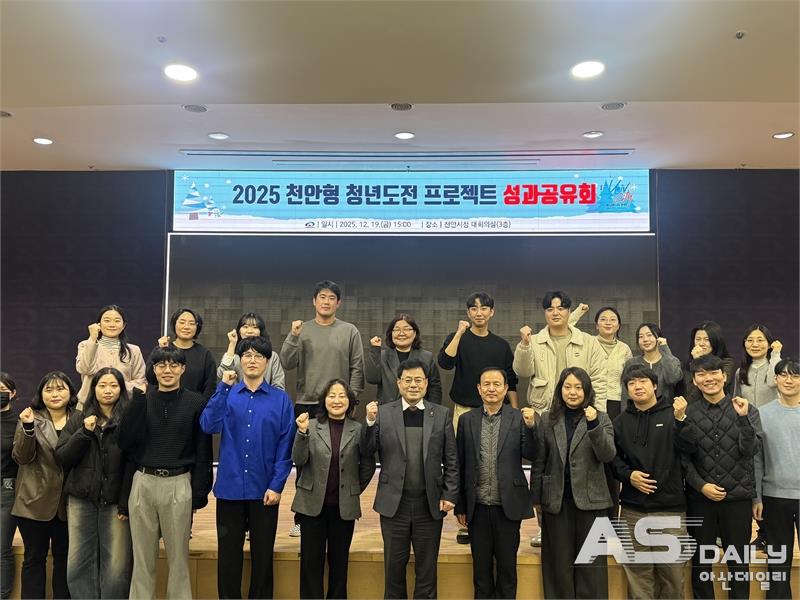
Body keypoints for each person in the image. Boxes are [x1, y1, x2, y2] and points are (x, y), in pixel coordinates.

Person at [201, 336, 295, 599]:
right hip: (230, 489)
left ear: (267, 362)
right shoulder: (227, 394)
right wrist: (223, 388)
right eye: (247, 356)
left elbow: (285, 446)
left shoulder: (280, 400)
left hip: (264, 490)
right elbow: (208, 425)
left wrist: (277, 485)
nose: (252, 360)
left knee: (263, 559)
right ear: (240, 361)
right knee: (228, 558)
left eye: (258, 356)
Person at [118, 347, 212, 600]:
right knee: (142, 558)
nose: (167, 370)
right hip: (143, 481)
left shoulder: (196, 402)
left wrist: (200, 492)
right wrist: (137, 403)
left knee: (179, 558)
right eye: (161, 365)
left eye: (173, 365)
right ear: (153, 370)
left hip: (179, 482)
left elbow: (203, 450)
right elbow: (125, 444)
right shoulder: (142, 401)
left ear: (183, 369)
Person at [513, 290, 606, 546]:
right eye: (550, 308)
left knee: (578, 469)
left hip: (580, 416)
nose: (555, 312)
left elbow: (599, 378)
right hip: (546, 414)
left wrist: (596, 413)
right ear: (545, 312)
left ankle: (580, 525)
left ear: (568, 311)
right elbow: (522, 371)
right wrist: (524, 345)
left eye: (561, 308)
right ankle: (544, 526)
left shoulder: (588, 342)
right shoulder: (535, 340)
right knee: (544, 470)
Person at [364, 359, 459, 599]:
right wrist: (370, 422)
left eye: (418, 380)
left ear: (426, 383)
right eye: (408, 380)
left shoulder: (441, 414)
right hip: (394, 505)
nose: (413, 385)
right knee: (393, 569)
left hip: (430, 504)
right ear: (398, 383)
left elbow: (451, 459)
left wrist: (450, 494)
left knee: (427, 570)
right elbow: (366, 451)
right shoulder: (384, 413)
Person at [281, 280, 365, 537]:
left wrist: (352, 401)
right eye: (322, 297)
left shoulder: (349, 331)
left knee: (340, 460)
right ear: (314, 301)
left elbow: (357, 368)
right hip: (308, 403)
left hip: (339, 404)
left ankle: (339, 514)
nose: (326, 301)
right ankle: (302, 518)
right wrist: (293, 336)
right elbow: (286, 361)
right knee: (305, 464)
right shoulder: (302, 330)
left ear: (338, 303)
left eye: (331, 298)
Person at [676, 354, 761, 600]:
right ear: (694, 380)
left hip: (737, 500)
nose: (708, 378)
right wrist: (701, 486)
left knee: (738, 564)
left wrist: (743, 419)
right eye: (701, 374)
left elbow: (750, 450)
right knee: (701, 563)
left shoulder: (745, 408)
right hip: (700, 500)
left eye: (714, 373)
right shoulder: (688, 413)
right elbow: (684, 458)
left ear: (724, 377)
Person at [531, 366, 615, 599]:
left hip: (592, 503)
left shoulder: (601, 418)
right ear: (560, 390)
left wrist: (594, 425)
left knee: (591, 570)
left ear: (587, 391)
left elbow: (607, 455)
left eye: (578, 387)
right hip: (556, 502)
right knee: (558, 567)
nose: (572, 392)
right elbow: (540, 460)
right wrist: (536, 498)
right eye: (567, 387)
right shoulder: (548, 419)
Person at [454, 367, 536, 599]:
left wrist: (531, 427)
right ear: (479, 389)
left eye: (497, 384)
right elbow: (460, 463)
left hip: (507, 507)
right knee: (481, 573)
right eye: (486, 384)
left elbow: (532, 453)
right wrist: (460, 505)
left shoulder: (518, 418)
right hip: (477, 507)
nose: (491, 389)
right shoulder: (466, 420)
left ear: (506, 388)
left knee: (507, 571)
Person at [613, 364, 692, 599]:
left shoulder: (673, 414)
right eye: (632, 383)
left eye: (643, 381)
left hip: (669, 510)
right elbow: (612, 460)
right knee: (638, 578)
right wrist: (629, 475)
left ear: (655, 385)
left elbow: (689, 449)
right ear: (627, 389)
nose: (637, 386)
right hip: (632, 510)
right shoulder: (620, 422)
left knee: (673, 578)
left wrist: (681, 420)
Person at [292, 379, 376, 599]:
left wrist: (353, 489)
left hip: (343, 509)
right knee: (310, 565)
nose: (336, 400)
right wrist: (302, 433)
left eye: (342, 396)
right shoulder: (310, 425)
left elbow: (367, 465)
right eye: (331, 395)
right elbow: (298, 460)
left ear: (350, 401)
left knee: (339, 566)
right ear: (324, 400)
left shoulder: (357, 429)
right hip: (311, 507)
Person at [55, 367, 134, 599]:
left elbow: (134, 462)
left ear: (121, 389)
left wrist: (125, 502)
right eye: (102, 385)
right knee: (79, 561)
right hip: (81, 499)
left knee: (117, 564)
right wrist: (84, 433)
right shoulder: (79, 418)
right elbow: (62, 456)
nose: (108, 390)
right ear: (93, 389)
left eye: (113, 385)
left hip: (115, 502)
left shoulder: (129, 420)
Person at [12, 371, 78, 599]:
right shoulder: (30, 417)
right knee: (33, 559)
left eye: (60, 389)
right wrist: (28, 428)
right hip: (33, 502)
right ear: (41, 394)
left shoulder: (80, 419)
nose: (55, 394)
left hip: (69, 503)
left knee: (65, 560)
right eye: (48, 390)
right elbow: (22, 457)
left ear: (70, 392)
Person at [753, 358, 800, 600]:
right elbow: (756, 460)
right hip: (774, 497)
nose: (788, 380)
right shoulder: (762, 414)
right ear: (776, 379)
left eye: (795, 376)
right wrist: (757, 497)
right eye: (783, 375)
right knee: (778, 564)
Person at [438, 292, 519, 430]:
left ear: (491, 312)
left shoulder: (501, 345)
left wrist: (515, 410)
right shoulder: (457, 338)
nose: (479, 313)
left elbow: (510, 381)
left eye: (484, 308)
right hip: (464, 409)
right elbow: (445, 363)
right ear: (468, 313)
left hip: (496, 410)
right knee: (462, 444)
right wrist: (459, 334)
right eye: (474, 309)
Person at [568, 304, 632, 419]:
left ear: (618, 326)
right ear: (597, 325)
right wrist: (579, 312)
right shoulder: (588, 342)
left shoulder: (624, 349)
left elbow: (630, 378)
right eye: (603, 319)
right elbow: (564, 328)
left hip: (616, 403)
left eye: (613, 320)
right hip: (589, 400)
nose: (608, 323)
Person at [75, 304, 147, 404]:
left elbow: (141, 382)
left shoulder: (134, 350)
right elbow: (85, 369)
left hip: (123, 406)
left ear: (124, 325)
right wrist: (92, 339)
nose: (112, 325)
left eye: (117, 321)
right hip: (90, 405)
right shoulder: (85, 345)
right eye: (107, 320)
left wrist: (115, 386)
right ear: (99, 324)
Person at [366, 313, 442, 404]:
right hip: (388, 409)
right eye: (397, 329)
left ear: (414, 333)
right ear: (391, 333)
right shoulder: (382, 356)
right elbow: (372, 379)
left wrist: (432, 409)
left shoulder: (426, 357)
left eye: (406, 329)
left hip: (417, 409)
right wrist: (375, 350)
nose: (401, 333)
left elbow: (435, 389)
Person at [146, 307, 218, 400]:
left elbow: (210, 387)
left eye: (191, 323)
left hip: (195, 405)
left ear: (197, 327)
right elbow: (150, 378)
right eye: (182, 322)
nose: (186, 327)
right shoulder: (163, 348)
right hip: (163, 404)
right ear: (174, 324)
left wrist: (200, 405)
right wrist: (160, 350)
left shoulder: (205, 354)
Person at [217, 311, 285, 389]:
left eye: (255, 327)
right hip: (236, 396)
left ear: (261, 331)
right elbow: (221, 375)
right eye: (245, 327)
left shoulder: (272, 356)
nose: (250, 331)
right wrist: (232, 344)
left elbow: (279, 387)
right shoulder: (232, 355)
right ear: (239, 331)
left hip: (266, 396)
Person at [621, 323, 683, 408]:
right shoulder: (632, 363)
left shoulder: (672, 361)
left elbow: (673, 379)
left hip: (665, 410)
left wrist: (664, 349)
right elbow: (626, 393)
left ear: (658, 337)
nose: (645, 339)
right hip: (638, 411)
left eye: (649, 335)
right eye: (641, 336)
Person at [679, 320, 736, 403]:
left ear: (715, 341)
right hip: (692, 408)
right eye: (698, 339)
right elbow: (690, 394)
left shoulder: (727, 363)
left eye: (707, 339)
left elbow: (712, 389)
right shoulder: (687, 365)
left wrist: (699, 361)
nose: (701, 343)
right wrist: (695, 362)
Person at [0, 373, 20, 600]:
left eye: (2, 390)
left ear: (12, 393)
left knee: (1, 549)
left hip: (6, 490)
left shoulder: (19, 422)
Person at [734, 324, 783, 408]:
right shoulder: (740, 372)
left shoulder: (777, 366)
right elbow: (737, 402)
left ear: (769, 344)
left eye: (760, 340)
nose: (755, 344)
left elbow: (773, 383)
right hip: (747, 417)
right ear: (745, 344)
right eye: (750, 340)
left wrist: (775, 354)